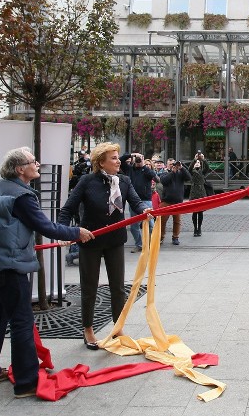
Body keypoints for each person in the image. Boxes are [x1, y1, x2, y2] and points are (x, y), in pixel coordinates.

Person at [0, 147, 94, 398]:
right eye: (33, 161)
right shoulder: (21, 195)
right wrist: (76, 233)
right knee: (21, 320)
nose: (38, 164)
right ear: (20, 169)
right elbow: (44, 226)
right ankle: (26, 382)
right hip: (6, 263)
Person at [57, 142, 149, 349]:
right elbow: (68, 209)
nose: (119, 161)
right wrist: (62, 232)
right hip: (90, 240)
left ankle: (118, 327)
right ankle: (88, 329)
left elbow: (136, 202)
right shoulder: (86, 181)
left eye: (118, 157)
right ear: (101, 162)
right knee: (89, 287)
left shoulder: (124, 181)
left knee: (118, 287)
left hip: (115, 240)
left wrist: (144, 210)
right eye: (114, 158)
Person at [120, 151, 159, 252]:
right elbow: (120, 160)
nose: (138, 160)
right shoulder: (129, 169)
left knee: (151, 224)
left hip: (146, 200)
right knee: (134, 226)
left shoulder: (146, 170)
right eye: (137, 158)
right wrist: (131, 155)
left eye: (140, 158)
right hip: (133, 201)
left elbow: (154, 176)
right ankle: (139, 244)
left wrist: (143, 165)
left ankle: (151, 244)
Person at [158, 159, 191, 245]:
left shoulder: (181, 173)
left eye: (174, 164)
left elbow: (189, 178)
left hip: (177, 201)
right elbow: (164, 181)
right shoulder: (164, 173)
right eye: (170, 164)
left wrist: (182, 168)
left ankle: (175, 237)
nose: (173, 165)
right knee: (162, 221)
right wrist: (172, 172)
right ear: (167, 165)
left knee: (177, 221)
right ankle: (161, 237)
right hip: (166, 201)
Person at [189, 158, 208, 236]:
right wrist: (194, 160)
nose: (197, 163)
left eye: (198, 163)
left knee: (200, 212)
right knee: (194, 212)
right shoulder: (192, 172)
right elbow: (189, 169)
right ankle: (195, 228)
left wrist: (203, 160)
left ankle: (199, 228)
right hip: (194, 192)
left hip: (201, 193)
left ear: (200, 165)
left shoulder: (202, 172)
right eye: (196, 163)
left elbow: (207, 168)